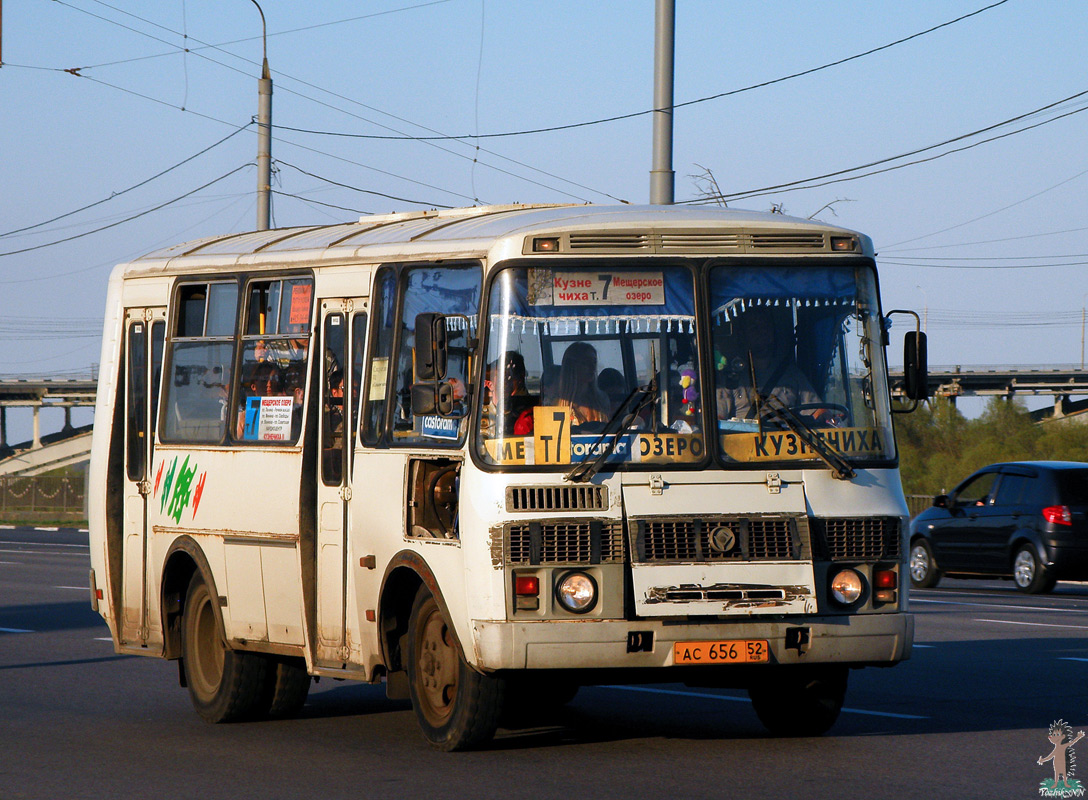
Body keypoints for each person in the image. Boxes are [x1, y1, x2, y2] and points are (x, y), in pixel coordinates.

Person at [715, 307, 820, 422]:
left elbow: (818, 411)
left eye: (765, 326)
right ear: (742, 335)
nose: (762, 331)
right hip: (746, 439)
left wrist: (828, 418)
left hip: (790, 438)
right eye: (754, 327)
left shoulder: (792, 374)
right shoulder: (731, 378)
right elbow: (717, 420)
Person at [555, 341, 610, 427]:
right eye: (585, 363)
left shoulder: (602, 400)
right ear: (572, 366)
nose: (592, 368)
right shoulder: (556, 403)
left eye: (594, 362)